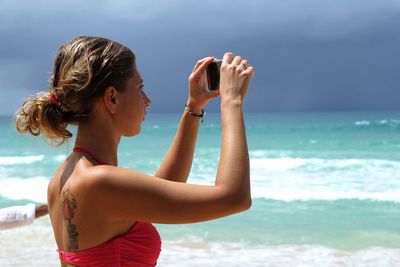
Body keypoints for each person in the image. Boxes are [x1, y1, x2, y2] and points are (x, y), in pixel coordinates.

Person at [15, 36, 255, 267]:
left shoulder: (66, 176)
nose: (147, 100)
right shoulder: (99, 182)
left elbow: (164, 188)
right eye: (139, 88)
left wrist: (193, 107)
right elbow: (234, 198)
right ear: (112, 99)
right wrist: (231, 102)